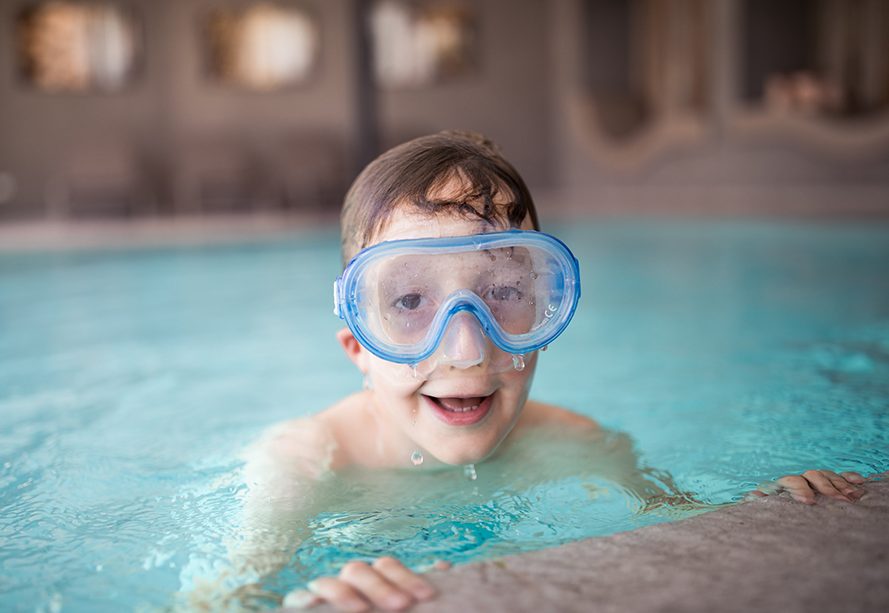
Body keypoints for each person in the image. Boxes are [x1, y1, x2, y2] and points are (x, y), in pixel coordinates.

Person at [236, 131, 866, 613]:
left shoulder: (578, 442)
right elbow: (227, 596)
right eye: (408, 302)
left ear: (546, 314)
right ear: (358, 347)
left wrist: (770, 508)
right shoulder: (304, 460)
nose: (465, 348)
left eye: (505, 293)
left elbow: (685, 527)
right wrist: (304, 598)